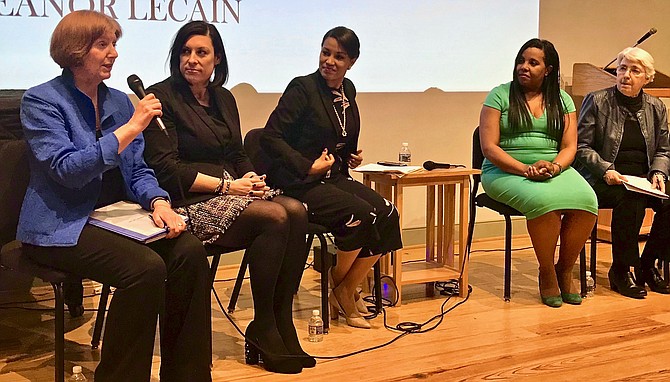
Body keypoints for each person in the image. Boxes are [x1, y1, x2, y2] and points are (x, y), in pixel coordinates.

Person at [17, 11, 211, 382]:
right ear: (75, 51)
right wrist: (131, 128)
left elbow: (137, 170)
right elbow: (68, 170)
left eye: (114, 44)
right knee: (144, 268)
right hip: (60, 224)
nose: (114, 54)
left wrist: (159, 203)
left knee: (188, 251)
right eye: (102, 45)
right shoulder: (41, 101)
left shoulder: (119, 102)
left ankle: (187, 375)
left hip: (114, 217)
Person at [141, 21, 310, 374]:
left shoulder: (224, 97)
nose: (192, 60)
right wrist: (226, 186)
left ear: (217, 58)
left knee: (296, 210)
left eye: (201, 53)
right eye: (185, 52)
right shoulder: (161, 98)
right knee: (274, 217)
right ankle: (263, 325)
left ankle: (281, 320)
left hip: (231, 191)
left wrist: (250, 176)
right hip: (186, 201)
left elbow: (236, 153)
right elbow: (165, 168)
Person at [260, 26, 403, 327]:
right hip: (298, 182)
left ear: (352, 61)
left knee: (388, 213)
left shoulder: (347, 90)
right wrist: (307, 166)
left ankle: (345, 287)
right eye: (326, 53)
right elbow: (271, 137)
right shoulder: (302, 89)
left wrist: (349, 154)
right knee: (362, 216)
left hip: (333, 176)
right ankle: (341, 289)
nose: (330, 61)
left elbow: (341, 133)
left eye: (339, 57)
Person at [479, 38, 598, 307]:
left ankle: (564, 269)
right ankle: (546, 272)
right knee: (544, 204)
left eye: (533, 63)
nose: (524, 67)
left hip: (552, 168)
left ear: (548, 70)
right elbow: (489, 148)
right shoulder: (499, 95)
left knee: (588, 202)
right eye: (521, 61)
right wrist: (524, 169)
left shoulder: (563, 100)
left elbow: (570, 146)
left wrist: (555, 166)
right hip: (504, 170)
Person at [574, 47, 670, 299]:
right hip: (604, 178)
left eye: (634, 70)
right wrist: (606, 169)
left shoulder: (656, 107)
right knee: (632, 198)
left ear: (647, 78)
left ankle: (647, 265)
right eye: (622, 68)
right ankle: (621, 270)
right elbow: (581, 147)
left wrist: (658, 172)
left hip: (643, 179)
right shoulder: (597, 101)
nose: (626, 75)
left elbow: (663, 148)